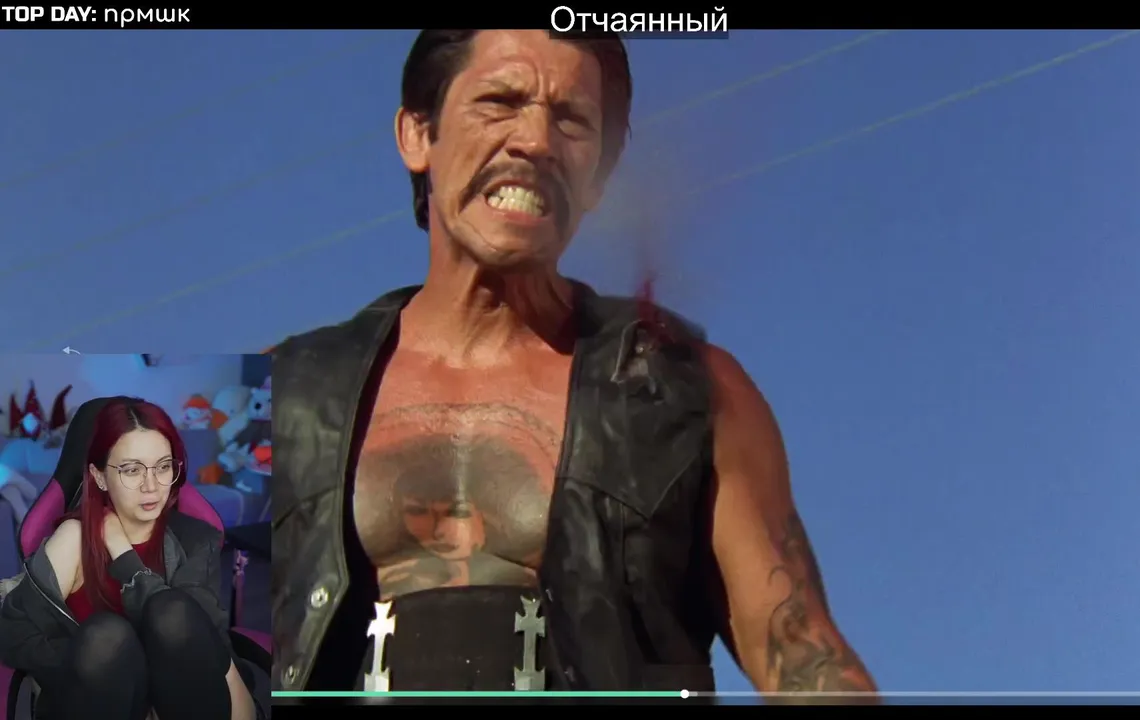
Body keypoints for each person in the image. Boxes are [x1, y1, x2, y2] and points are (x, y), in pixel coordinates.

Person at [271, 29, 878, 701]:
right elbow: (211, 664)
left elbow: (806, 661)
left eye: (572, 120)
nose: (536, 142)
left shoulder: (688, 390)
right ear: (418, 134)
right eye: (500, 102)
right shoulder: (280, 391)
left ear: (601, 174)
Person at [0, 397, 257, 720]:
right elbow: (12, 631)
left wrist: (122, 553)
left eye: (163, 467)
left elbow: (202, 644)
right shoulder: (75, 539)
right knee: (107, 636)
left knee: (170, 611)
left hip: (178, 706)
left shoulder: (195, 540)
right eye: (132, 470)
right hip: (94, 703)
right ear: (99, 477)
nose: (152, 486)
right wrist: (85, 662)